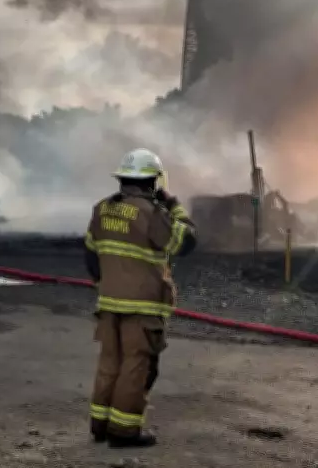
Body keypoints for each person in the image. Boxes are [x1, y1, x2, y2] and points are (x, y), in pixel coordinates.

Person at [85, 148, 197, 448]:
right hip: (143, 307)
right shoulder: (152, 213)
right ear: (151, 183)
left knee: (110, 363)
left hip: (109, 304)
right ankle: (123, 431)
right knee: (137, 366)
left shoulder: (101, 209)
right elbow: (187, 241)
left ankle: (101, 425)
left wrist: (107, 284)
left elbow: (91, 255)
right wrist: (174, 206)